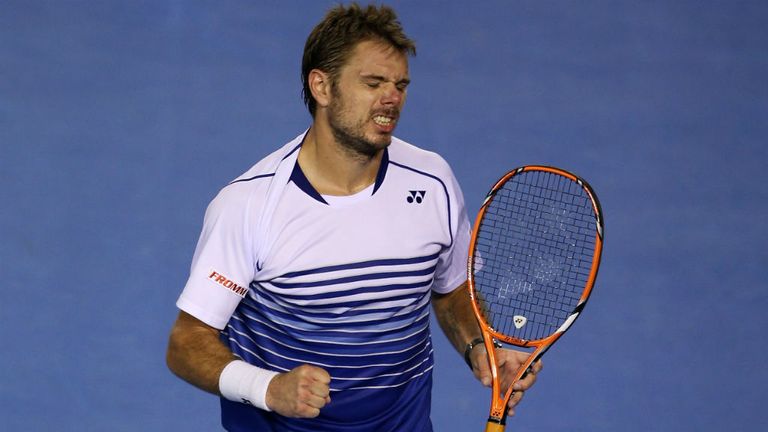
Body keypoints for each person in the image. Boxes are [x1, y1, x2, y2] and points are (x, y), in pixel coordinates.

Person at [166, 3, 541, 431]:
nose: (392, 99)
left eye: (401, 84)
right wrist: (267, 387)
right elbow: (186, 342)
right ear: (322, 87)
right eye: (373, 82)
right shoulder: (249, 205)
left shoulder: (432, 181)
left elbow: (452, 288)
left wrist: (480, 347)